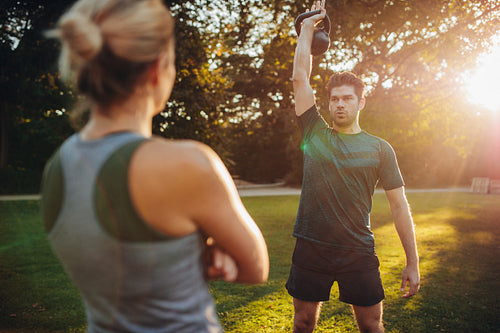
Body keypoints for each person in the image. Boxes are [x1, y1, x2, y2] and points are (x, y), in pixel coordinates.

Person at [40, 1, 269, 332]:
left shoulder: (55, 169)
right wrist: (206, 247)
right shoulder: (187, 163)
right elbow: (255, 267)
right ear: (157, 68)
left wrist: (191, 247)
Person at [286, 1, 420, 332]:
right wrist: (306, 29)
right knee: (303, 322)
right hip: (311, 245)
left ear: (360, 102)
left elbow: (400, 207)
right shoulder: (315, 133)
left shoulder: (380, 148)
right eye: (334, 98)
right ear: (328, 102)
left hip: (357, 250)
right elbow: (299, 78)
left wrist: (413, 262)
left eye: (347, 98)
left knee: (371, 326)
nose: (339, 104)